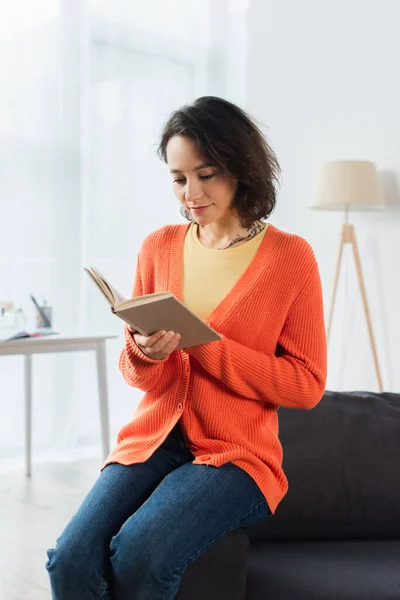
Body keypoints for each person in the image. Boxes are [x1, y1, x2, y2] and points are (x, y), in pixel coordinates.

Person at [45, 96, 327, 599]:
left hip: (237, 456)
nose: (190, 193)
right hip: (151, 438)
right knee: (69, 559)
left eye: (206, 174)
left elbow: (305, 386)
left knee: (140, 552)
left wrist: (204, 346)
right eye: (178, 178)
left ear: (240, 169)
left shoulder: (291, 257)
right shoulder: (159, 245)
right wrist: (146, 354)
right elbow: (140, 376)